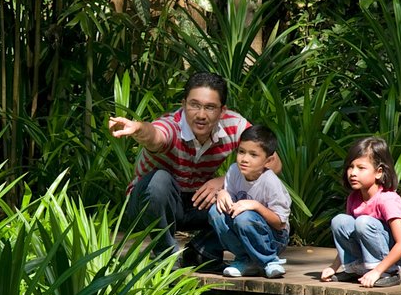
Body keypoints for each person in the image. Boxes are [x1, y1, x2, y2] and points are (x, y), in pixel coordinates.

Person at [108, 71, 279, 263]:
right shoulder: (172, 126)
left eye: (210, 107)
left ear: (222, 111)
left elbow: (273, 163)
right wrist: (139, 129)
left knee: (245, 194)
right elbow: (156, 136)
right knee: (160, 180)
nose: (201, 115)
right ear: (183, 104)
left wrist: (223, 181)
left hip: (195, 202)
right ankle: (166, 256)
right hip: (149, 205)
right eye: (194, 105)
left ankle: (203, 250)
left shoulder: (235, 125)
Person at [320, 136, 401, 287]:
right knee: (340, 221)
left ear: (378, 172)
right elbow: (348, 234)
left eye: (361, 168)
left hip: (399, 254)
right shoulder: (354, 198)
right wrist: (334, 267)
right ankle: (355, 267)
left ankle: (388, 271)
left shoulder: (387, 200)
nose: (353, 173)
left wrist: (378, 271)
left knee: (363, 222)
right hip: (371, 247)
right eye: (350, 167)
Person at [207, 125, 292, 278]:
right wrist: (222, 193)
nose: (244, 159)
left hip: (274, 239)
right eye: (241, 152)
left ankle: (269, 261)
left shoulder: (270, 181)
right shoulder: (234, 171)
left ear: (268, 160)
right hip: (244, 230)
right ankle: (245, 259)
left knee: (244, 216)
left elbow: (280, 224)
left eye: (253, 155)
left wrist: (256, 206)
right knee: (216, 211)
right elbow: (231, 206)